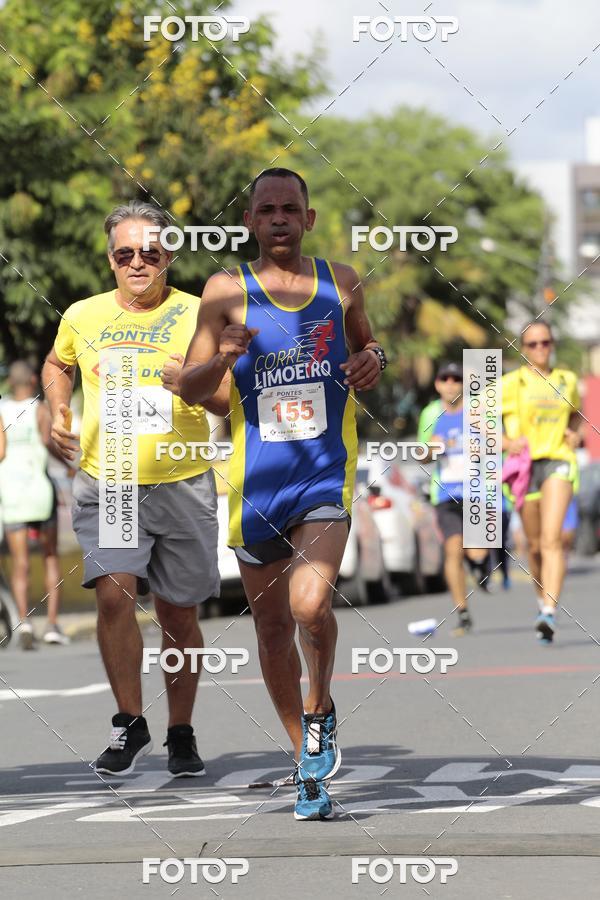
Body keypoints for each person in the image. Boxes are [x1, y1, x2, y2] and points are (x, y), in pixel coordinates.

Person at [178, 167, 384, 820]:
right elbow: (189, 386)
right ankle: (305, 764)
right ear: (250, 222)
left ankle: (319, 708)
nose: (278, 218)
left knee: (309, 601)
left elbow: (368, 350)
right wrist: (223, 358)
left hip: (323, 471)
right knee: (269, 628)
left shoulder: (341, 282)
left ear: (309, 218)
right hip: (254, 479)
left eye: (289, 208)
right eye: (266, 209)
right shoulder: (223, 292)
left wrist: (375, 358)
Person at [42, 200, 228, 776]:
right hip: (111, 477)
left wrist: (190, 383)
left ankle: (180, 729)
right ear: (110, 259)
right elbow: (56, 363)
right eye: (126, 254)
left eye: (151, 252)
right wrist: (55, 414)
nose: (138, 263)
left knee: (178, 613)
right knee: (113, 591)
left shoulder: (200, 313)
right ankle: (129, 722)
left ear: (169, 254)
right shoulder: (83, 314)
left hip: (183, 478)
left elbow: (226, 399)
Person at [501, 321, 584, 643]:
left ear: (553, 344)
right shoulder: (511, 383)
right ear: (524, 349)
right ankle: (541, 602)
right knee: (534, 547)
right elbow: (478, 417)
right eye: (533, 344)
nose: (540, 349)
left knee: (552, 540)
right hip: (524, 468)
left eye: (545, 342)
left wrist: (574, 431)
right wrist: (506, 443)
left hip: (559, 461)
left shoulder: (567, 380)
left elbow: (576, 413)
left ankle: (549, 611)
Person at [417, 362, 492, 636]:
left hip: (477, 491)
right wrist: (432, 448)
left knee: (477, 551)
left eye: (456, 379)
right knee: (453, 550)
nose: (451, 384)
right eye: (445, 379)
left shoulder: (477, 410)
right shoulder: (430, 414)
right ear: (437, 384)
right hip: (445, 492)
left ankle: (479, 564)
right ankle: (462, 612)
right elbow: (421, 454)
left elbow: (496, 444)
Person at [0, 361, 68, 649]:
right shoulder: (39, 408)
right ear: (31, 379)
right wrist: (69, 464)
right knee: (50, 557)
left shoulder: (1, 410)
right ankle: (52, 624)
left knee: (20, 563)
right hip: (40, 490)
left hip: (12, 493)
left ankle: (24, 622)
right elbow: (47, 439)